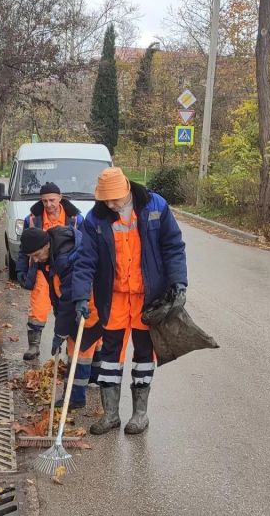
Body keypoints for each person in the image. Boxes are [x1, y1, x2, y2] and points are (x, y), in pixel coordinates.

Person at [71, 167, 187, 435]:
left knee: (144, 355)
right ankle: (111, 414)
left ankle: (140, 415)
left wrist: (178, 282)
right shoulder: (96, 219)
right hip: (114, 298)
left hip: (148, 298)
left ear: (126, 190)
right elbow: (85, 260)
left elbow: (173, 246)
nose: (110, 205)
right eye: (106, 200)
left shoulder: (155, 206)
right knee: (110, 357)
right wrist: (80, 296)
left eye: (114, 200)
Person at [18, 225, 99, 409]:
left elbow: (68, 300)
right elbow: (59, 295)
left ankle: (75, 398)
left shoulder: (64, 258)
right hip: (83, 304)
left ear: (47, 244)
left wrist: (60, 334)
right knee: (93, 346)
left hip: (88, 307)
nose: (36, 260)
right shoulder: (52, 253)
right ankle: (94, 377)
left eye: (37, 254)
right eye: (32, 257)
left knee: (79, 352)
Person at [15, 182, 83, 361]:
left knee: (67, 305)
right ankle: (34, 345)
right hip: (41, 269)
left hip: (66, 268)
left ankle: (71, 346)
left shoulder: (75, 219)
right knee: (38, 304)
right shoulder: (32, 219)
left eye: (52, 200)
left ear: (60, 198)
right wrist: (21, 270)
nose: (48, 205)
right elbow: (24, 249)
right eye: (44, 201)